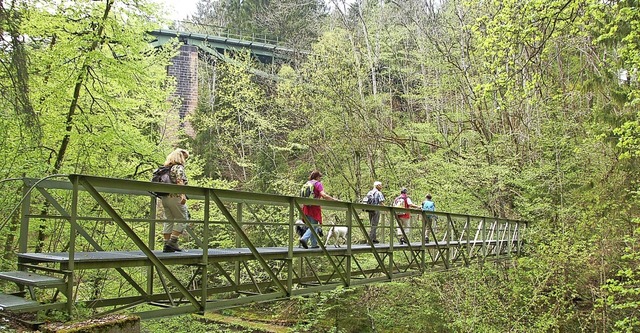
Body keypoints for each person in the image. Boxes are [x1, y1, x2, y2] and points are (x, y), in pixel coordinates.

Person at [160, 148, 190, 252]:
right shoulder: (178, 167)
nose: (185, 160)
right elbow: (179, 181)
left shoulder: (166, 168)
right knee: (184, 218)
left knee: (169, 220)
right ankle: (172, 242)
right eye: (185, 158)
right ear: (180, 157)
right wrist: (182, 195)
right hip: (175, 196)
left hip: (165, 197)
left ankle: (166, 245)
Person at [299, 170, 337, 249]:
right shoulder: (318, 184)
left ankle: (314, 244)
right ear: (317, 177)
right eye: (320, 177)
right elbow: (324, 195)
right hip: (314, 208)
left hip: (306, 207)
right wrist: (333, 199)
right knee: (314, 226)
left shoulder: (307, 183)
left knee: (311, 226)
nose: (320, 179)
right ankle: (304, 238)